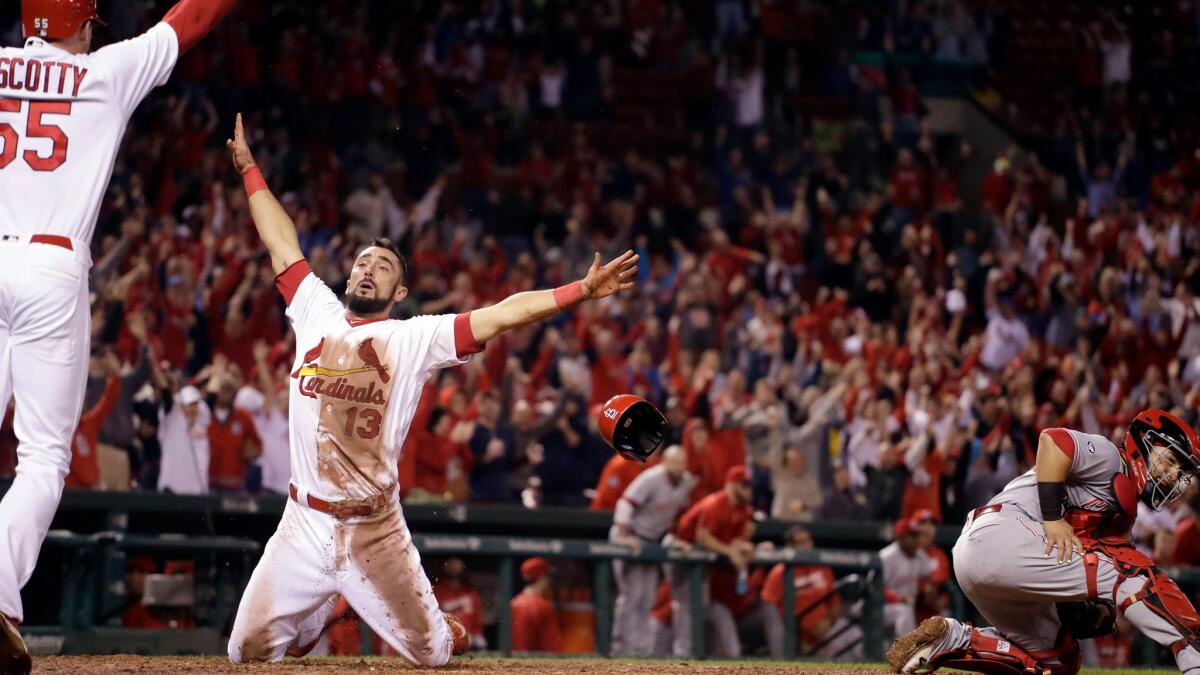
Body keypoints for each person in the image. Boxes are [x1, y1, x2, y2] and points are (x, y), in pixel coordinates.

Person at [223, 115, 638, 666]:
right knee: (243, 654)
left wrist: (578, 291)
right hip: (303, 520)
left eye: (384, 266)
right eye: (364, 262)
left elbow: (500, 315)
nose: (369, 269)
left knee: (433, 656)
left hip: (374, 525)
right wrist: (251, 170)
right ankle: (322, 608)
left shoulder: (414, 336)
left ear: (401, 290)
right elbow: (279, 241)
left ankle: (425, 626)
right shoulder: (315, 310)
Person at [0, 0, 236, 667]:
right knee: (43, 458)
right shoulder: (105, 71)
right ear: (79, 25)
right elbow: (189, 20)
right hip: (50, 263)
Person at [888, 410, 1200, 674]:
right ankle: (1194, 653)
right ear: (1146, 443)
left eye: (1180, 471)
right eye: (1171, 460)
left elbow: (1097, 596)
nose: (1173, 474)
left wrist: (1096, 616)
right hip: (1001, 534)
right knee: (1134, 572)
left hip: (984, 561)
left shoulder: (1122, 522)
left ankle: (955, 641)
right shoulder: (1110, 458)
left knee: (1058, 660)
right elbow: (1053, 441)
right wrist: (1052, 518)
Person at [609, 444, 695, 657]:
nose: (678, 467)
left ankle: (639, 650)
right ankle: (621, 649)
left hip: (652, 541)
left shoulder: (686, 483)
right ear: (665, 462)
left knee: (647, 598)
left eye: (682, 462)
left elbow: (678, 516)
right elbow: (625, 504)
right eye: (674, 462)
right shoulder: (651, 478)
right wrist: (623, 537)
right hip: (630, 535)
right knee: (632, 595)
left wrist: (674, 538)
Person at [669, 465, 755, 657]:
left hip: (700, 561)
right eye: (744, 485)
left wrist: (742, 546)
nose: (749, 490)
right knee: (685, 604)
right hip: (681, 549)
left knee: (701, 606)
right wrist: (731, 553)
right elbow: (702, 537)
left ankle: (698, 652)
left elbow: (733, 538)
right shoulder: (716, 503)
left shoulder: (741, 508)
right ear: (731, 485)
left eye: (749, 485)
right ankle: (681, 655)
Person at [881, 518, 935, 644]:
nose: (917, 540)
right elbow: (876, 589)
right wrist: (899, 598)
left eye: (917, 535)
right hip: (880, 607)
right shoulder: (887, 557)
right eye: (912, 536)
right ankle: (907, 650)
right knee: (903, 609)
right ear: (900, 538)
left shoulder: (920, 555)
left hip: (906, 607)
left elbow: (931, 575)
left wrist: (931, 586)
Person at [510, 557, 563, 653]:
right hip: (536, 664)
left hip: (512, 664)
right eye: (548, 576)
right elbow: (554, 649)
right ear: (542, 577)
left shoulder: (513, 603)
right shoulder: (543, 606)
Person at [432, 559, 486, 650]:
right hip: (444, 637)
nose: (455, 568)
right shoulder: (437, 590)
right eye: (452, 566)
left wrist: (477, 633)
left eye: (457, 566)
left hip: (469, 637)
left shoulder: (469, 591)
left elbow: (477, 616)